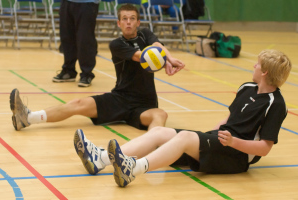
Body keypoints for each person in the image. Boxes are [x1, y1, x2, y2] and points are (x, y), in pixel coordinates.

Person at [73, 49, 292, 187]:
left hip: (237, 156)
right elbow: (228, 119)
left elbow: (264, 147)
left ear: (264, 72)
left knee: (186, 136)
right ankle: (100, 159)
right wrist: (209, 137)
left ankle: (133, 168)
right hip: (221, 142)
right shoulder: (247, 87)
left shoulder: (276, 104)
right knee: (159, 132)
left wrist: (234, 142)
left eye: (258, 64)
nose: (253, 66)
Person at [9, 4, 185, 132]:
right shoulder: (116, 44)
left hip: (145, 104)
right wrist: (162, 60)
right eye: (124, 19)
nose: (128, 22)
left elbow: (158, 46)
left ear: (138, 22)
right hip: (119, 99)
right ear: (118, 23)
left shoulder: (145, 34)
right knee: (78, 103)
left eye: (132, 19)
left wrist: (169, 59)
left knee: (160, 115)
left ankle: (156, 143)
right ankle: (28, 117)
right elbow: (143, 57)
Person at [52, 0, 99, 87]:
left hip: (87, 3)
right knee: (67, 37)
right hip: (67, 2)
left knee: (85, 39)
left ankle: (86, 74)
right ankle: (68, 71)